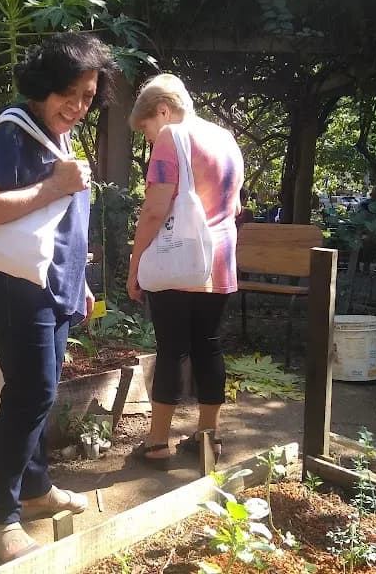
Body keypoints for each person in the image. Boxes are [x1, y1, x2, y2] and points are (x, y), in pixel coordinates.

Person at [0, 33, 117, 562]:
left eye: (87, 97)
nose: (76, 106)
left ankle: (32, 490)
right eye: (67, 94)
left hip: (51, 285)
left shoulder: (58, 136)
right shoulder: (13, 130)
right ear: (42, 86)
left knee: (38, 394)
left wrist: (80, 279)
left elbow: (60, 225)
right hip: (15, 285)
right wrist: (54, 185)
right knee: (30, 394)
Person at [126, 74, 244, 469]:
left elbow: (155, 210)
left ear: (162, 109)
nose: (147, 138)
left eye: (145, 127)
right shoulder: (226, 140)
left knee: (171, 350)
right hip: (219, 262)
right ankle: (208, 441)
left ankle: (158, 444)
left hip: (178, 263)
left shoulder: (171, 137)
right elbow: (235, 208)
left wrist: (135, 264)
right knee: (209, 346)